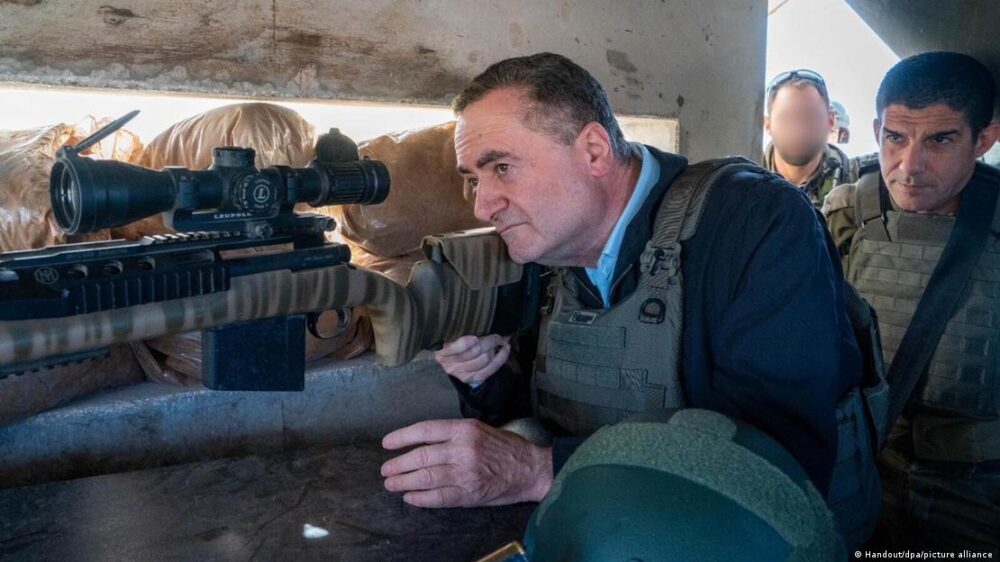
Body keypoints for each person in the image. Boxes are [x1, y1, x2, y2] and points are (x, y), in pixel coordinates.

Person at [379, 52, 861, 536]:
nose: (483, 207)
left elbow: (777, 470)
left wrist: (538, 470)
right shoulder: (543, 251)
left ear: (593, 151)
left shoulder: (755, 222)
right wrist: (486, 378)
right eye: (473, 180)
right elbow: (545, 421)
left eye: (502, 167)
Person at [823, 51, 1000, 553]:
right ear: (877, 130)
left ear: (983, 140)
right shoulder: (848, 213)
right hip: (864, 466)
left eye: (940, 140)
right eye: (896, 138)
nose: (910, 166)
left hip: (976, 487)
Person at [763, 69, 855, 206]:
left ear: (830, 121)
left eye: (810, 116)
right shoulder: (741, 181)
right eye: (786, 118)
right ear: (768, 125)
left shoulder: (856, 185)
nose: (798, 129)